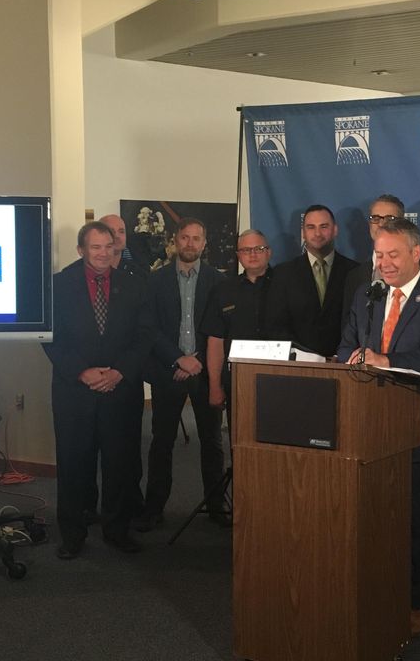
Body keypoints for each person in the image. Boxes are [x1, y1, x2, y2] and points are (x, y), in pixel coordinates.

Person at [336, 217, 420, 639]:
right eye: (379, 255)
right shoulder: (366, 295)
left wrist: (384, 361)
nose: (385, 264)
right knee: (370, 518)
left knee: (412, 522)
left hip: (417, 426)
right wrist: (353, 358)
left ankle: (412, 603)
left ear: (416, 253)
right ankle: (373, 595)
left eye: (393, 255)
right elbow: (348, 343)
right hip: (367, 422)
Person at [43, 221, 149, 559]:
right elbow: (51, 339)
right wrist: (81, 372)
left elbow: (143, 337)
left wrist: (119, 373)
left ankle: (117, 530)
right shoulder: (59, 285)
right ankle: (73, 535)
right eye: (96, 247)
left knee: (120, 464)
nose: (104, 253)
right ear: (81, 250)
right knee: (74, 464)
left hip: (120, 391)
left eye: (109, 246)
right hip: (75, 391)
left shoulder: (134, 285)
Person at [137, 217, 227, 530]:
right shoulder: (155, 280)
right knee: (161, 442)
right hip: (168, 372)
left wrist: (196, 360)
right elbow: (149, 328)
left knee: (212, 442)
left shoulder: (218, 281)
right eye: (185, 238)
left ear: (205, 244)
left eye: (196, 238)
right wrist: (177, 360)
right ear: (176, 240)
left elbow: (220, 331)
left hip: (206, 372)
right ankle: (154, 507)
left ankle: (216, 504)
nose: (190, 244)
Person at [266, 204, 358, 358]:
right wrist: (304, 356)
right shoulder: (283, 273)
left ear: (335, 230)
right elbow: (275, 325)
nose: (317, 233)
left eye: (324, 226)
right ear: (303, 232)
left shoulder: (354, 272)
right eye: (310, 227)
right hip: (297, 366)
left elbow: (359, 324)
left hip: (345, 366)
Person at [203, 229, 274, 410]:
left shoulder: (287, 285)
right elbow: (216, 340)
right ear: (238, 255)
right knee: (239, 435)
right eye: (245, 250)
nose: (252, 254)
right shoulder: (223, 290)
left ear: (269, 252)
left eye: (258, 248)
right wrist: (214, 386)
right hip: (237, 379)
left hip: (279, 378)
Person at [342, 194, 404, 312]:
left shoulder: (417, 272)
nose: (381, 224)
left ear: (402, 224)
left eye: (389, 218)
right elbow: (348, 325)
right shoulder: (354, 277)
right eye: (375, 218)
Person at [102, 213, 142, 277]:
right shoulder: (85, 271)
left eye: (121, 231)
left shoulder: (137, 271)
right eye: (111, 231)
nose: (117, 236)